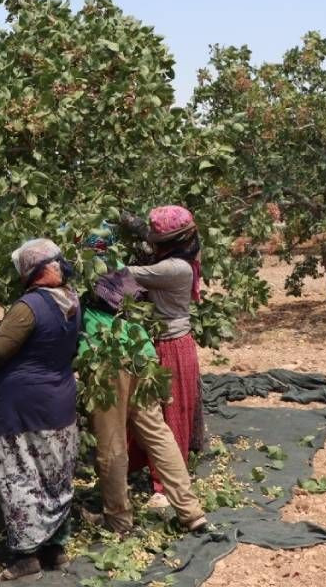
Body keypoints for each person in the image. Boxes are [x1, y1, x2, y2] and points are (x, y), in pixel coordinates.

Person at [0, 238, 79, 581]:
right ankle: (55, 548)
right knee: (55, 474)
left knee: (19, 473)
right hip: (60, 398)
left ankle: (27, 555)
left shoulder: (29, 306)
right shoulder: (72, 300)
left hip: (23, 404)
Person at [78, 261, 208, 534]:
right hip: (141, 352)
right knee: (157, 432)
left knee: (111, 443)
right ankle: (191, 511)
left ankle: (118, 520)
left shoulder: (79, 272)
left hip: (107, 358)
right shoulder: (116, 266)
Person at [126, 206, 205, 511]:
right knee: (150, 412)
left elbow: (121, 275)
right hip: (162, 341)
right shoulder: (186, 255)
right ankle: (153, 471)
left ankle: (165, 488)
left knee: (168, 414)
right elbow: (147, 238)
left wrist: (90, 253)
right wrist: (132, 223)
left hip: (171, 345)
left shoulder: (173, 269)